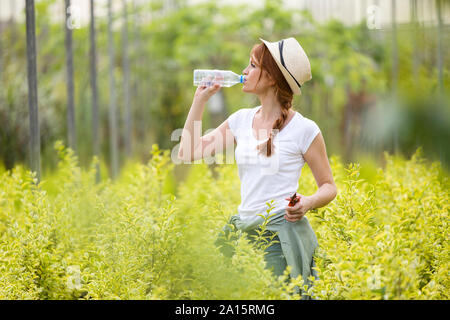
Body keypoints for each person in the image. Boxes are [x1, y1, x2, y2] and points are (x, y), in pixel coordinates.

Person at [177, 37, 337, 299]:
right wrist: (199, 101)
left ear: (272, 77)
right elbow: (187, 152)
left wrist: (307, 202)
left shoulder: (305, 130)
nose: (244, 72)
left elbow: (329, 187)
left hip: (279, 239)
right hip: (244, 234)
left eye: (252, 65)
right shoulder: (240, 120)